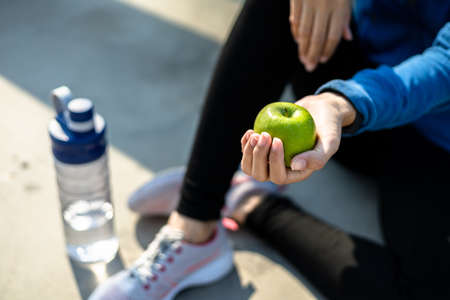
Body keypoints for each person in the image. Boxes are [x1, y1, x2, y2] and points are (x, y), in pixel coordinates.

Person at [89, 0, 450, 299]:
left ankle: (251, 202)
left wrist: (342, 103)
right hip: (353, 75)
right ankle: (195, 219)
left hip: (430, 137)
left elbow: (442, 67)